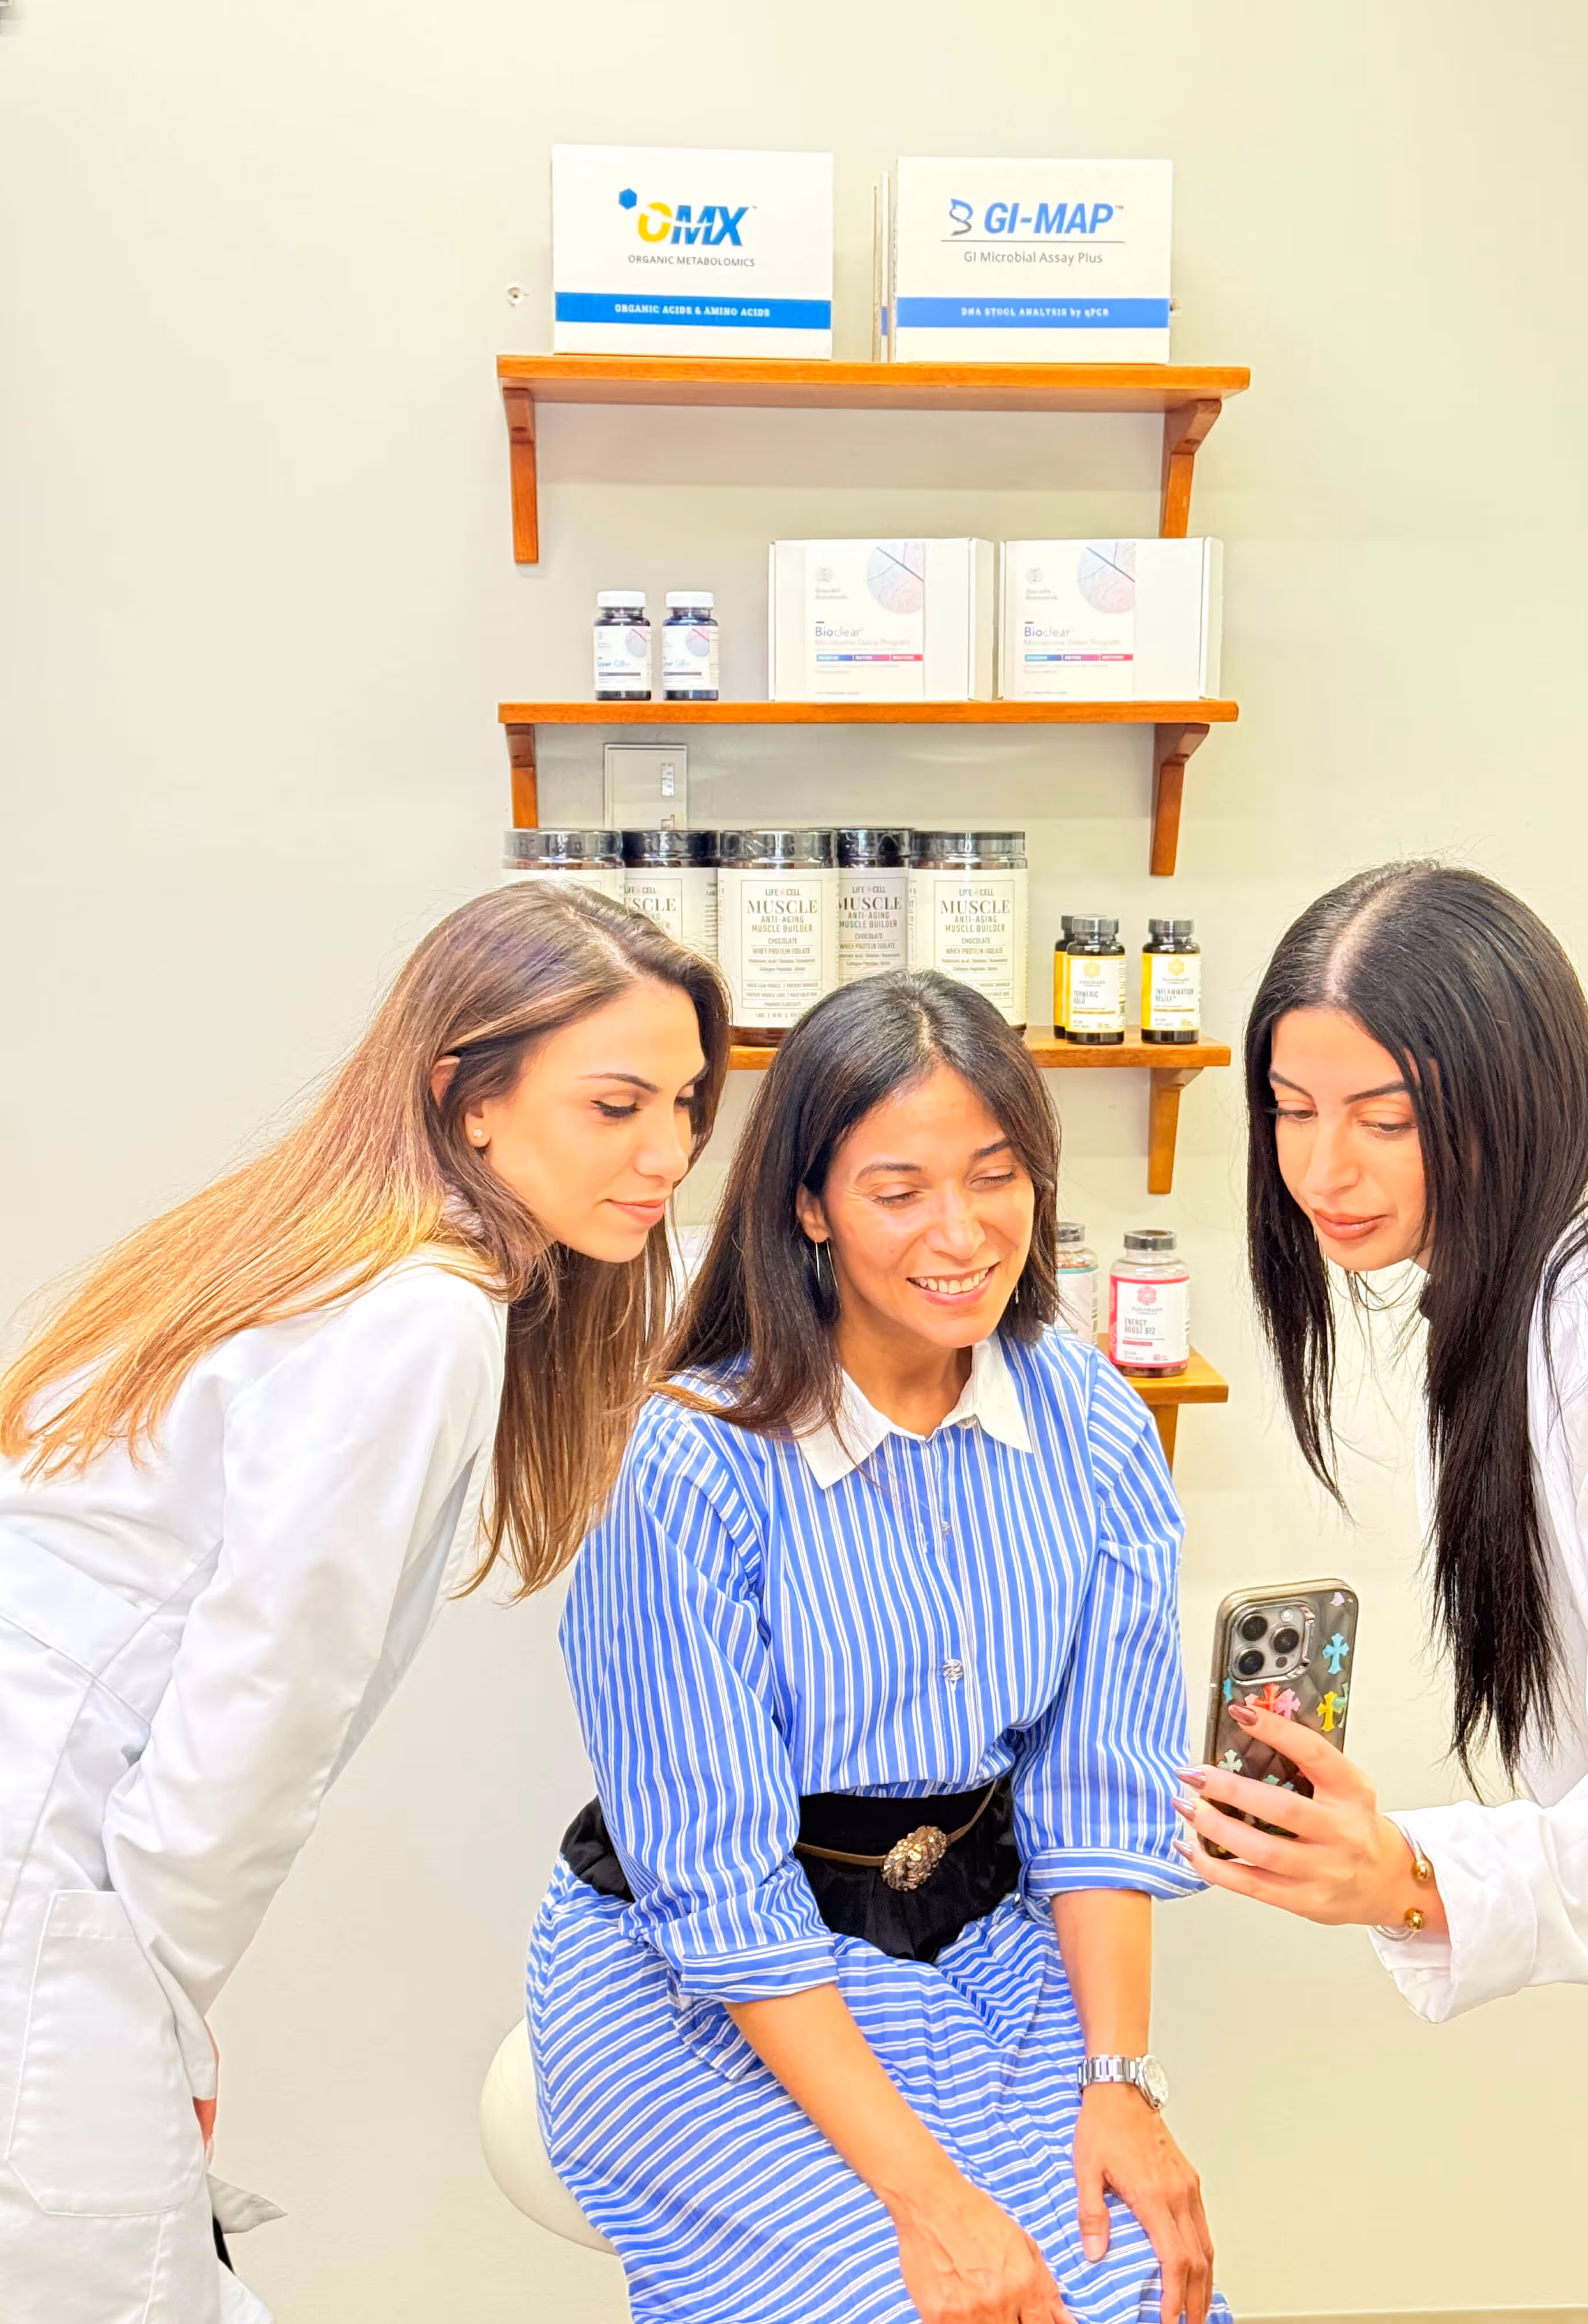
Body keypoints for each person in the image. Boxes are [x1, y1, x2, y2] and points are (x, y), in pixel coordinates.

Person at [0, 882, 728, 2324]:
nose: (669, 1154)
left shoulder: (318, 1251)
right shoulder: (418, 1313)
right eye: (617, 1106)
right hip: (51, 1898)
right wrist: (163, 2027)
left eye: (688, 1103)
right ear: (469, 1098)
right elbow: (263, 1711)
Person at [529, 970, 1229, 2324]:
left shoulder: (1088, 1416)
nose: (961, 1233)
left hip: (984, 1957)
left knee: (1134, 2286)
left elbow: (1098, 1795)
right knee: (919, 2298)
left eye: (996, 1177)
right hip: (714, 1994)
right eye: (898, 1190)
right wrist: (930, 2199)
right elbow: (717, 1888)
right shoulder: (690, 1463)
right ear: (810, 1205)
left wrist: (1121, 2086)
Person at [1174, 860, 1588, 2228]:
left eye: (1387, 1119)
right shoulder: (1536, 1284)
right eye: (1293, 1110)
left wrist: (1411, 1878)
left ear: (1514, 1090)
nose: (1324, 1169)